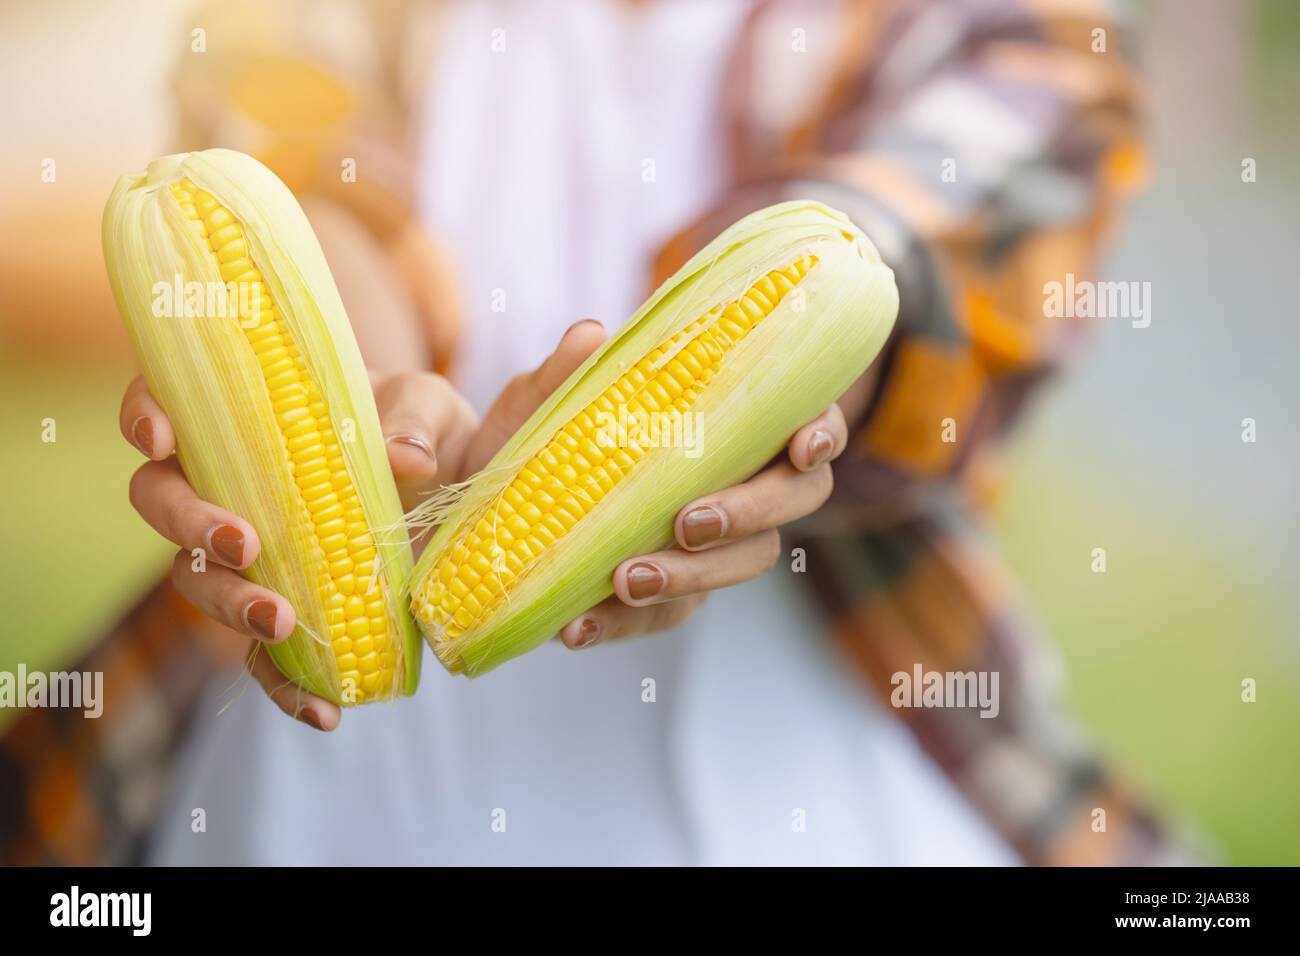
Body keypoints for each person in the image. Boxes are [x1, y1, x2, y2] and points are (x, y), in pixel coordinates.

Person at [0, 0, 1186, 865]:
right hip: (296, 813)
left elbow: (891, 256)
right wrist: (359, 386)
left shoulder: (1019, 28)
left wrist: (747, 420)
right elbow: (304, 172)